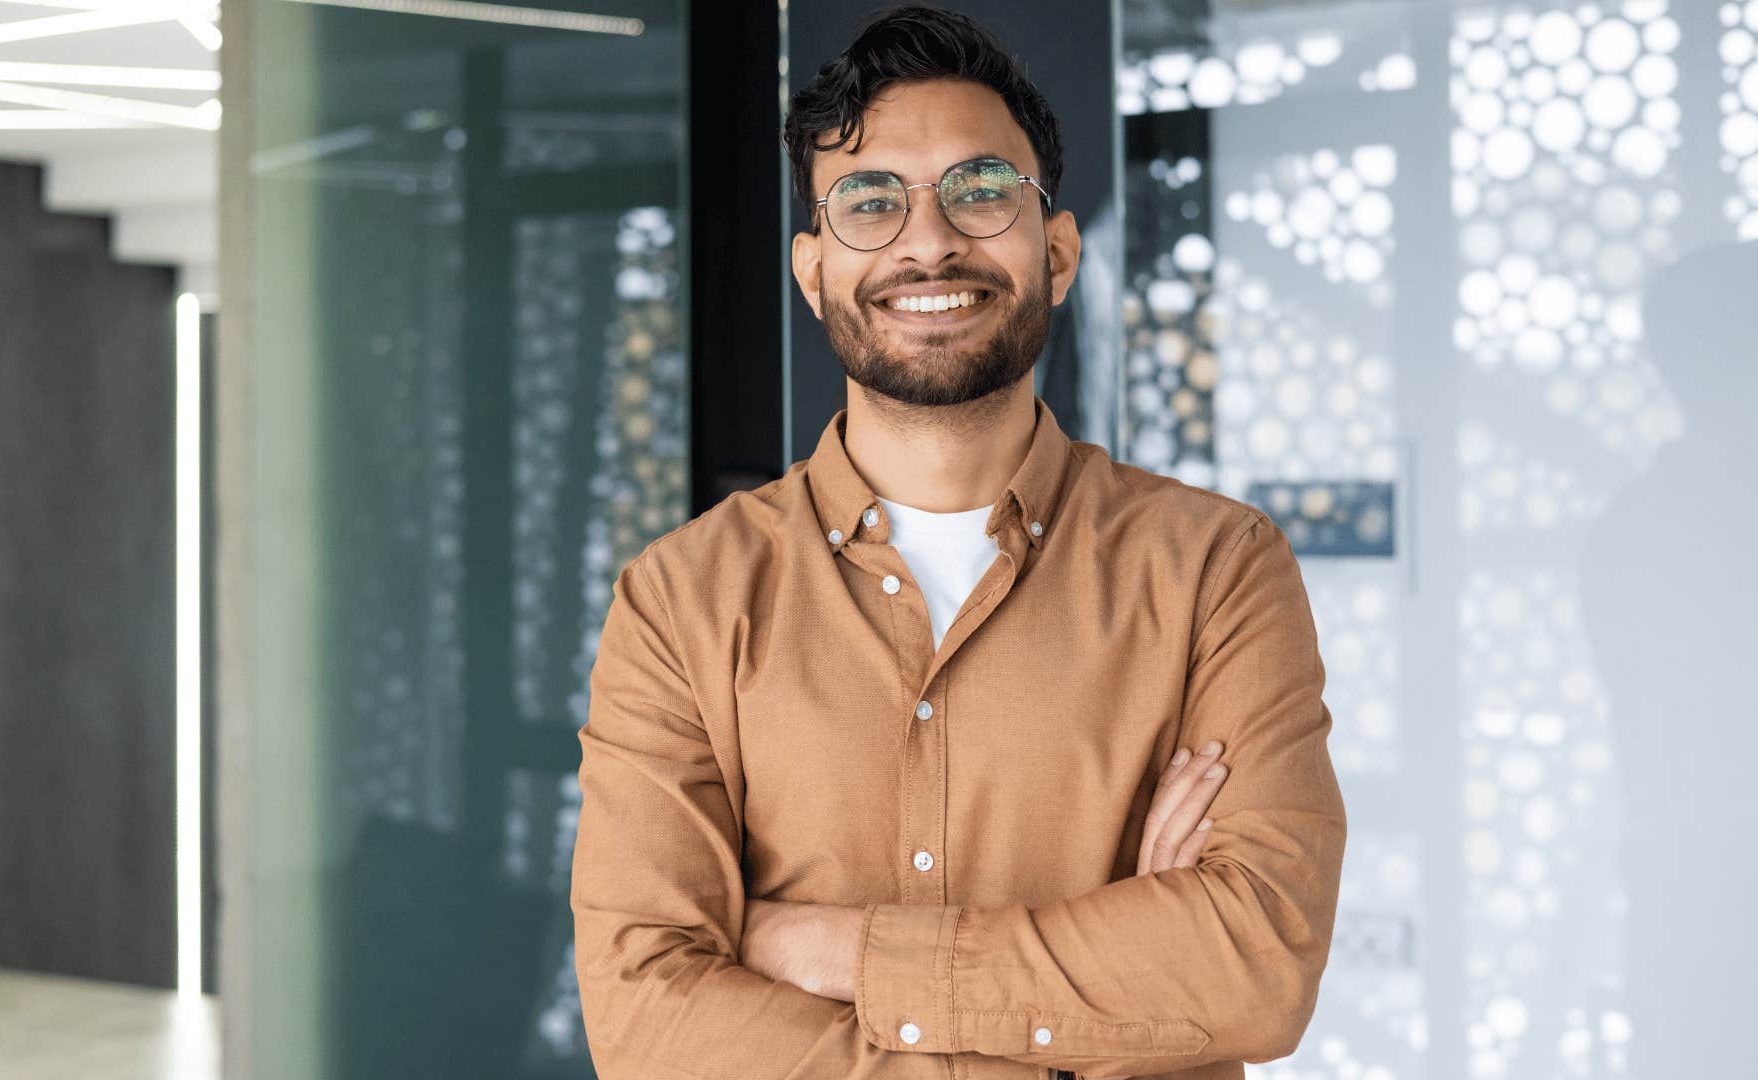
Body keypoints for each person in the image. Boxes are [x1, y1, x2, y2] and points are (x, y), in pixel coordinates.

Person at [569, 7, 1346, 1079]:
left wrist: (829, 949)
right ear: (812, 272)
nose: (928, 240)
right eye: (871, 200)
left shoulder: (1216, 570)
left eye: (982, 192)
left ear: (1058, 251)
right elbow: (649, 1023)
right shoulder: (681, 602)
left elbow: (1254, 971)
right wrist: (1099, 1014)